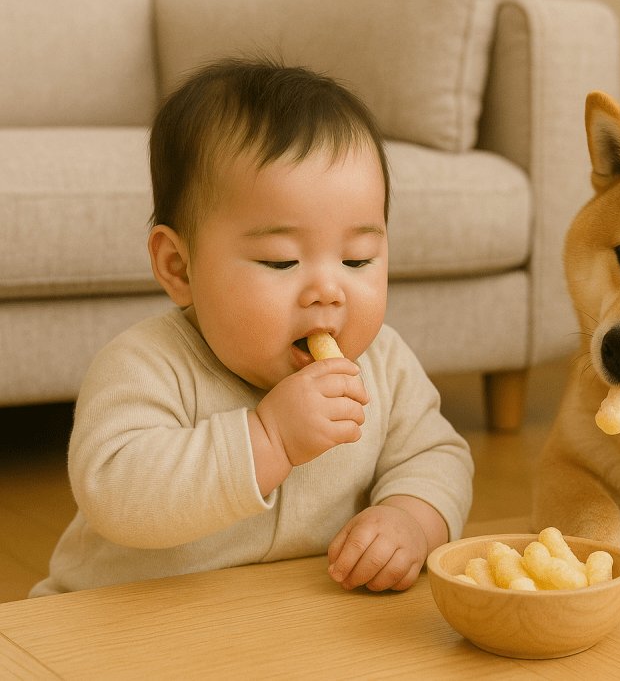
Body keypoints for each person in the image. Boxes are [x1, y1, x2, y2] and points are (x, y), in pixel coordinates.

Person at [30, 58, 473, 596]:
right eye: (281, 262)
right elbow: (114, 491)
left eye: (357, 260)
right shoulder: (146, 365)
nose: (327, 290)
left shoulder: (385, 365)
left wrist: (412, 518)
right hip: (116, 630)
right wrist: (267, 441)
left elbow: (437, 455)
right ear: (179, 266)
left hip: (281, 632)